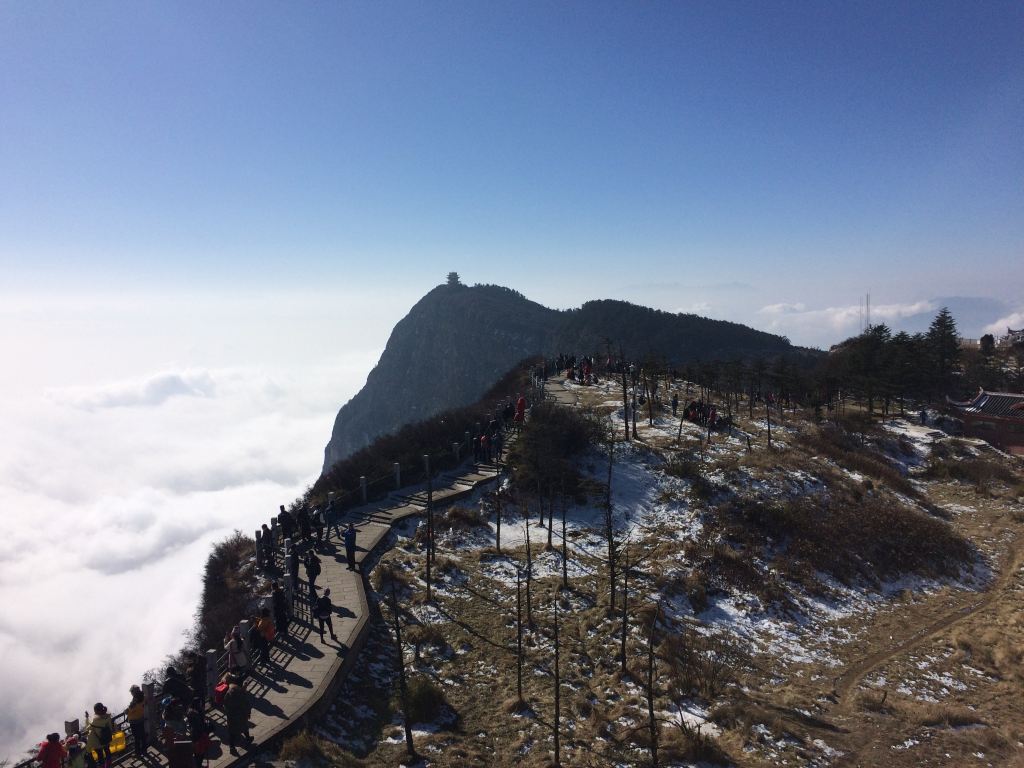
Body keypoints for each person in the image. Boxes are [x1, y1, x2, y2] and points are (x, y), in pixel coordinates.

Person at [222, 679, 252, 757]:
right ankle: (248, 738)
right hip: (240, 715)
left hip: (231, 716)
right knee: (244, 727)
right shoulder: (240, 693)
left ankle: (232, 747)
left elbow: (225, 704)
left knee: (232, 732)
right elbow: (246, 703)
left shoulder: (228, 693)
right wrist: (248, 713)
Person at [84, 703, 114, 768]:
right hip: (106, 739)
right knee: (108, 753)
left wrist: (87, 718)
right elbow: (111, 727)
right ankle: (108, 766)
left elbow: (88, 728)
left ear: (96, 710)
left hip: (97, 742)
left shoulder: (95, 720)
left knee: (100, 757)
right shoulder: (108, 716)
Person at [126, 685, 147, 756]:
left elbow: (128, 711)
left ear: (133, 692)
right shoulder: (143, 696)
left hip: (134, 721)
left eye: (131, 692)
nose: (131, 693)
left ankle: (138, 753)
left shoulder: (134, 701)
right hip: (140, 718)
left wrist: (126, 710)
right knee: (143, 735)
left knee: (137, 738)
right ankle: (144, 750)